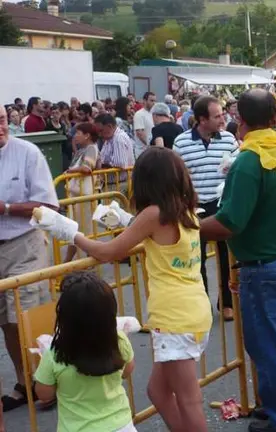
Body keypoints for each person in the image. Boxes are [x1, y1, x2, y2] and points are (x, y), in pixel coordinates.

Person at [35, 147, 212, 430]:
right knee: (158, 391)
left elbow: (108, 253)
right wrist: (125, 220)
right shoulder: (184, 208)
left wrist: (71, 233)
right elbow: (158, 238)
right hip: (193, 310)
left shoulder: (154, 213)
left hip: (174, 316)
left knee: (188, 400)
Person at [200, 89, 276, 432]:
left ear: (240, 120)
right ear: (275, 116)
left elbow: (230, 221)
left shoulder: (250, 160)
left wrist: (187, 226)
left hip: (268, 268)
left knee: (271, 348)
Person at [0, 109, 58, 413]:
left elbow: (48, 204)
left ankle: (48, 383)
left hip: (24, 244)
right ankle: (26, 384)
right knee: (7, 324)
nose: (0, 127)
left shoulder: (27, 152)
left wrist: (7, 207)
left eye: (1, 119)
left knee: (26, 317)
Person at [33, 271, 136, 432]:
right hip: (122, 425)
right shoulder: (119, 340)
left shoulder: (55, 352)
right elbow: (127, 369)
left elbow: (43, 394)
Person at [173, 96, 237, 321]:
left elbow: (238, 166)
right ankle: (202, 304)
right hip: (194, 207)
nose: (223, 119)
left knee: (226, 256)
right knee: (195, 257)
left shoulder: (229, 139)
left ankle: (227, 302)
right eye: (217, 115)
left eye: (222, 114)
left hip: (221, 204)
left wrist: (233, 170)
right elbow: (176, 175)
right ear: (201, 119)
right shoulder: (181, 142)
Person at [63, 122, 101, 263]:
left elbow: (87, 168)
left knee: (82, 230)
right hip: (77, 195)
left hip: (84, 196)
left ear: (87, 135)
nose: (75, 136)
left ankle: (88, 260)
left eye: (78, 133)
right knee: (76, 229)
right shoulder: (81, 150)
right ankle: (70, 261)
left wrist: (70, 171)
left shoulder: (91, 148)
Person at [94, 114, 135, 187]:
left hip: (119, 185)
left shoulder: (118, 139)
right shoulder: (110, 138)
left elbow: (120, 164)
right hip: (114, 184)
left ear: (109, 126)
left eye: (101, 130)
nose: (99, 134)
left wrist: (101, 166)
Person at [133, 92, 156, 157]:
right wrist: (150, 146)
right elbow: (140, 133)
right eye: (151, 100)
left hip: (151, 151)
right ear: (145, 101)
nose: (154, 103)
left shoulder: (153, 114)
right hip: (142, 152)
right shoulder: (139, 114)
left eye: (154, 101)